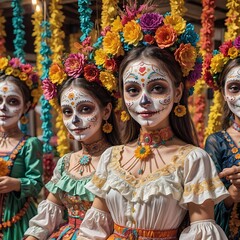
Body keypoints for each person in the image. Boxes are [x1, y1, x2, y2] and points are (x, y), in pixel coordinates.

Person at [77, 5, 230, 240]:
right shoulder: (111, 157)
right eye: (133, 90)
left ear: (178, 92)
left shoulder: (193, 160)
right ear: (122, 95)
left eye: (157, 88)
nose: (144, 100)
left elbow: (202, 232)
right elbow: (93, 230)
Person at [24, 51, 121, 240]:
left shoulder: (119, 159)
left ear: (107, 110)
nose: (75, 119)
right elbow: (48, 216)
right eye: (67, 112)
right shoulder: (66, 162)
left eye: (85, 109)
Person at [0, 56, 43, 240]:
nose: (3, 107)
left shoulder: (29, 144)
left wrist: (15, 184)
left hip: (16, 219)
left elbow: (37, 184)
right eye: (0, 100)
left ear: (26, 106)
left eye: (12, 102)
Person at [204, 36, 240, 239]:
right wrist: (233, 193)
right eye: (235, 88)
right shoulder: (216, 142)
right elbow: (206, 208)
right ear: (224, 94)